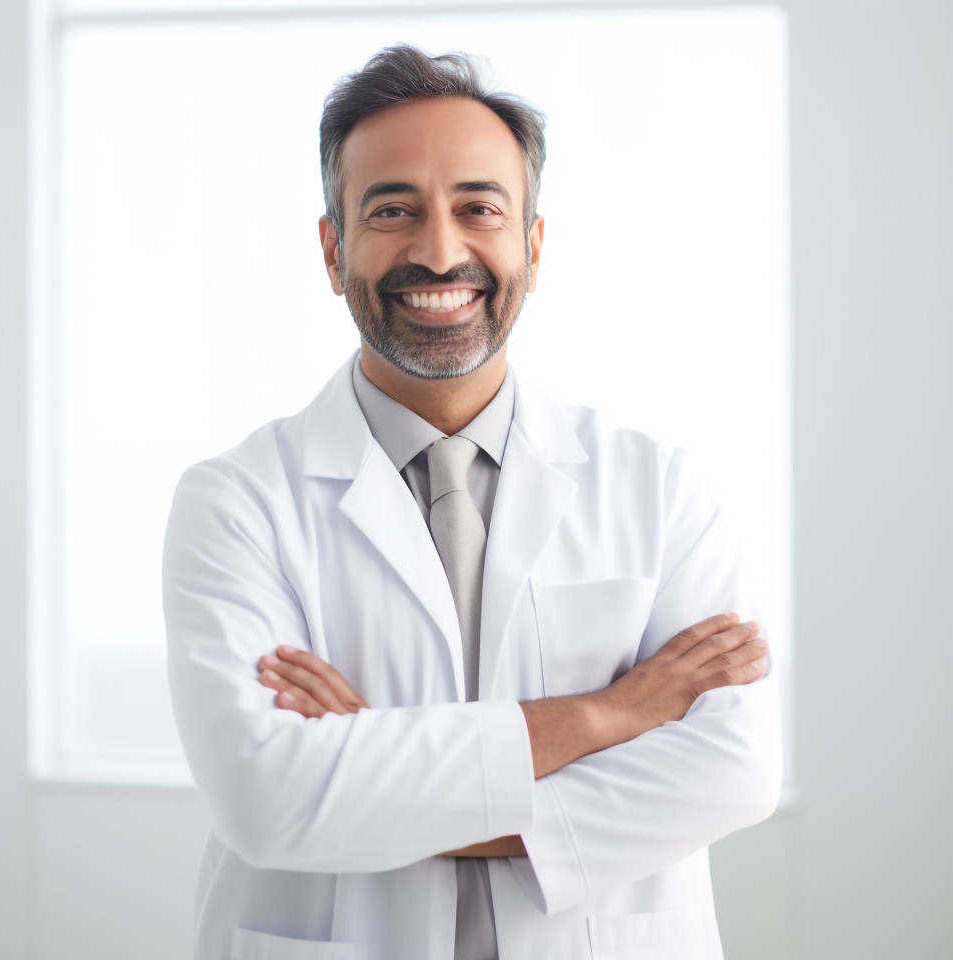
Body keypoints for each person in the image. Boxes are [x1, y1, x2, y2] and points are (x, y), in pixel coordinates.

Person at [163, 44, 781, 960]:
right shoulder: (236, 502)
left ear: (532, 244)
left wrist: (379, 771)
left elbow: (731, 772)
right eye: (393, 210)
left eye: (478, 208)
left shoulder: (661, 488)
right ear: (334, 251)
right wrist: (612, 715)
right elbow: (271, 802)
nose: (440, 250)